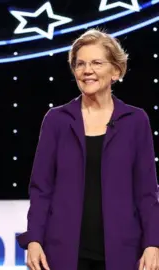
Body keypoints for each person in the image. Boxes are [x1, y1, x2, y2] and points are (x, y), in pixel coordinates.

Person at [17, 29, 159, 270]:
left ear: (116, 70)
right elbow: (41, 189)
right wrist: (34, 240)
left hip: (123, 251)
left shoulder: (136, 120)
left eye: (96, 63)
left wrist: (153, 244)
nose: (87, 70)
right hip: (62, 252)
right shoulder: (56, 120)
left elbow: (146, 192)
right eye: (80, 64)